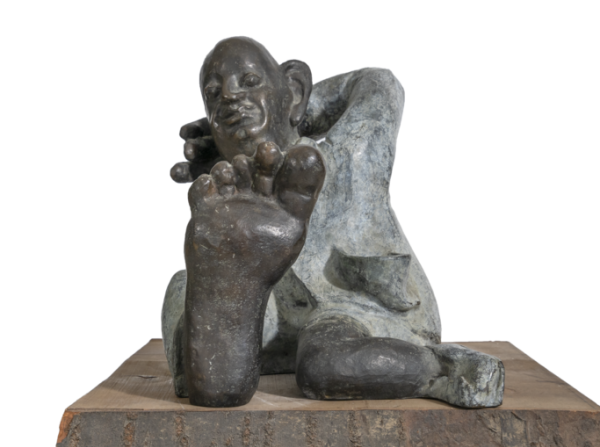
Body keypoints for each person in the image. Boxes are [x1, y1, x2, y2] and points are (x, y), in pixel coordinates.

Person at [163, 36, 505, 408]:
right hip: (270, 310)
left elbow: (378, 83)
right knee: (185, 288)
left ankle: (442, 369)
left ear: (294, 89)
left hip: (354, 309)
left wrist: (296, 109)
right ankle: (223, 334)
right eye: (214, 95)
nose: (229, 96)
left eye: (249, 82)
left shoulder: (350, 155)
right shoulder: (224, 198)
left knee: (325, 362)